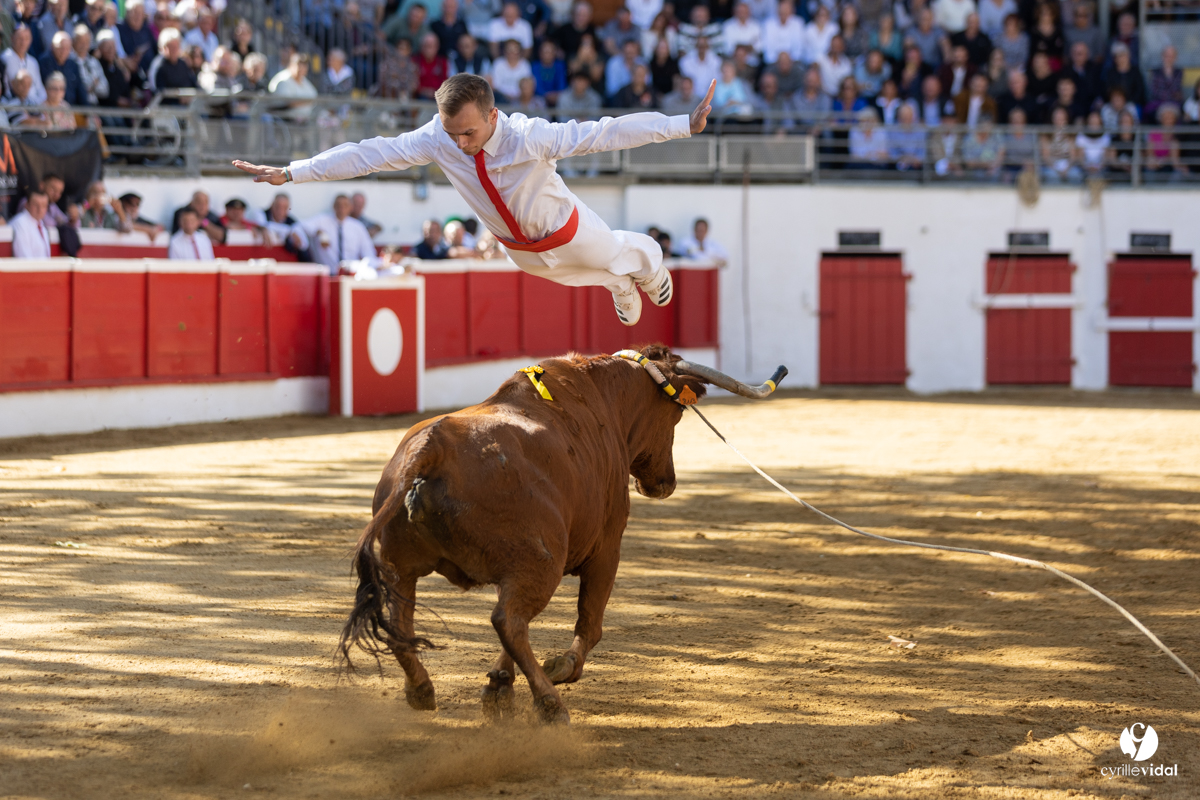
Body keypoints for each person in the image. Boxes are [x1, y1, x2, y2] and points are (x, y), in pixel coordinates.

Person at [235, 73, 717, 325]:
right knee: (576, 276)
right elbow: (370, 153)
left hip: (567, 227)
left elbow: (603, 133)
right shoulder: (437, 137)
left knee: (615, 252)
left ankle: (650, 264)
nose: (460, 144)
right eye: (452, 134)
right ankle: (618, 285)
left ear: (492, 115)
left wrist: (681, 125)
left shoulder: (529, 135)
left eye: (468, 132)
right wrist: (293, 172)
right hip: (518, 249)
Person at [297, 194, 376, 273]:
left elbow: (368, 253)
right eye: (339, 205)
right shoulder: (322, 221)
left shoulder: (358, 227)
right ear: (334, 206)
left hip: (351, 274)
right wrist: (318, 232)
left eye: (345, 205)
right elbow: (299, 227)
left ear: (351, 207)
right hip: (326, 273)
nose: (342, 209)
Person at [3, 24, 47, 104]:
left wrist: (41, 103)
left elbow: (40, 89)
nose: (23, 42)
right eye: (20, 38)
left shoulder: (33, 62)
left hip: (34, 105)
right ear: (12, 38)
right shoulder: (4, 59)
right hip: (12, 104)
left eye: (27, 38)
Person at [11, 190, 53, 258]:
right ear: (27, 205)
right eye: (36, 205)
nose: (40, 209)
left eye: (43, 205)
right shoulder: (20, 223)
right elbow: (23, 257)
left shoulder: (41, 224)